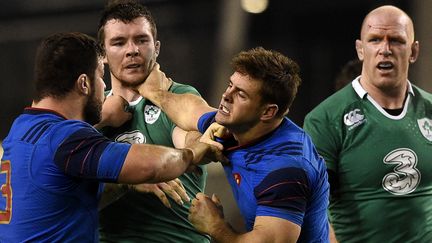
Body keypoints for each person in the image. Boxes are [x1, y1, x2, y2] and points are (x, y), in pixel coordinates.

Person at [0, 32, 223, 242]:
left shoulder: (20, 129)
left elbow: (64, 196)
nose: (104, 84)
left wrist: (126, 185)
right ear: (84, 84)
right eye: (99, 75)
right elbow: (152, 166)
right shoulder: (65, 136)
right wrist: (193, 153)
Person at [139, 47, 330, 242]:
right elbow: (191, 110)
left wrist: (216, 227)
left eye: (241, 94)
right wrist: (155, 92)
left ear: (268, 112)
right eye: (230, 85)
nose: (226, 95)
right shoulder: (237, 127)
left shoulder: (285, 168)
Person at [303, 5, 432, 242]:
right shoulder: (325, 119)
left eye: (396, 40)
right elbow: (312, 207)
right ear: (360, 49)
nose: (385, 49)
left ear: (413, 51)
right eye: (375, 40)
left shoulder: (430, 110)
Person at [96, 1, 212, 242]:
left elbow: (201, 141)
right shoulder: (92, 114)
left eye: (141, 40)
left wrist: (159, 96)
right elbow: (69, 193)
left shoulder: (177, 97)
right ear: (103, 54)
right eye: (119, 42)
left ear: (156, 48)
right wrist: (130, 179)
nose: (132, 50)